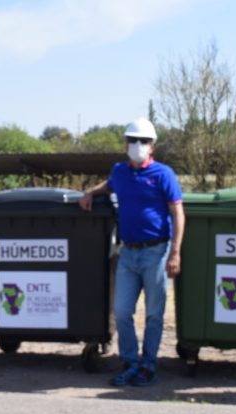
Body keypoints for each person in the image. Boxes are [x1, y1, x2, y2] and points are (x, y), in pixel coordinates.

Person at [79, 117, 184, 387]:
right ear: (126, 145)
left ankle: (148, 365)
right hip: (128, 252)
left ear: (152, 147)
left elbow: (178, 212)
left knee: (153, 313)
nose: (138, 145)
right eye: (133, 140)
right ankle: (130, 362)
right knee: (122, 310)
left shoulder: (163, 175)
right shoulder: (120, 172)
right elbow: (109, 186)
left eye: (144, 141)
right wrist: (91, 192)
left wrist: (175, 252)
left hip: (156, 252)